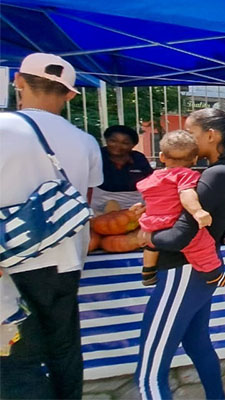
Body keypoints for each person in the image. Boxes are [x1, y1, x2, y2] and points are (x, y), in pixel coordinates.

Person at [0, 53, 103, 399]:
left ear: (18, 81)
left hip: (10, 265)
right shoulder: (86, 141)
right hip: (66, 260)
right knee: (64, 348)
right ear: (71, 94)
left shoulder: (3, 128)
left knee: (16, 357)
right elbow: (85, 203)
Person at [134, 108, 225, 399]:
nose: (185, 137)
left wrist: (146, 235)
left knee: (149, 372)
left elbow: (180, 235)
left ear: (211, 136)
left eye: (191, 132)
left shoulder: (218, 174)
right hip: (194, 271)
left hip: (183, 270)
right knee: (197, 342)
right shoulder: (216, 172)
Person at [136, 130, 225, 287]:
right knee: (202, 244)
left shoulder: (153, 177)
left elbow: (152, 197)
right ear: (195, 159)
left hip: (151, 223)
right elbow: (186, 194)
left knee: (151, 246)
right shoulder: (185, 175)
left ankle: (148, 271)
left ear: (162, 156)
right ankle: (213, 275)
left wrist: (141, 208)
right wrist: (198, 211)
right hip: (172, 222)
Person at [91, 125, 154, 212]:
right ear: (106, 140)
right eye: (113, 141)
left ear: (133, 145)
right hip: (101, 205)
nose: (118, 145)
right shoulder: (97, 156)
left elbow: (150, 181)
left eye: (125, 143)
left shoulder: (138, 158)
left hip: (135, 205)